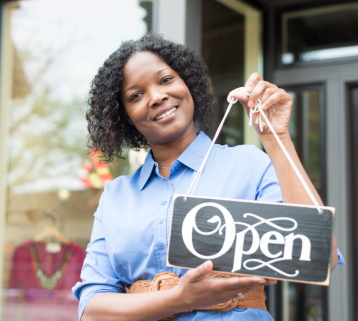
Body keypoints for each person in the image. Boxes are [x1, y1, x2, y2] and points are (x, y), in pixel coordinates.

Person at [72, 33, 344, 321]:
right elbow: (92, 312)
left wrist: (276, 138)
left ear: (187, 84)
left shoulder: (247, 164)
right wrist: (179, 298)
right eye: (136, 95)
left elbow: (320, 257)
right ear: (125, 115)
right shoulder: (117, 196)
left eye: (166, 80)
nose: (157, 97)